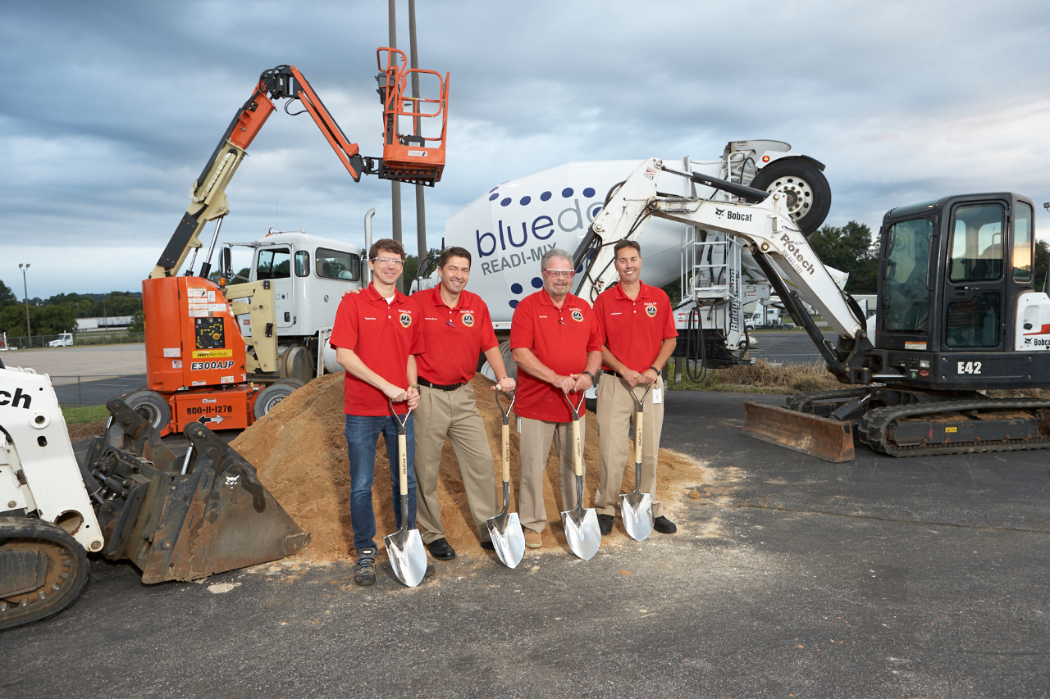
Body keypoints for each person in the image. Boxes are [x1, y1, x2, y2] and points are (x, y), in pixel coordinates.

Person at [330, 238, 426, 586]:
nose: (391, 266)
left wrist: (412, 388)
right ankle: (365, 551)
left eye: (397, 261)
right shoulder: (354, 304)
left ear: (402, 266)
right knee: (361, 484)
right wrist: (387, 386)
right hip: (363, 411)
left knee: (406, 480)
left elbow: (411, 355)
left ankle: (406, 537)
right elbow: (343, 355)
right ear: (371, 264)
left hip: (402, 410)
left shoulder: (409, 307)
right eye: (384, 260)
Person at [411, 246, 516, 561]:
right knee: (425, 469)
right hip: (427, 395)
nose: (459, 275)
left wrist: (503, 376)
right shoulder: (418, 304)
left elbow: (490, 345)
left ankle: (488, 528)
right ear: (440, 272)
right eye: (453, 269)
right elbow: (404, 347)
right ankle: (432, 533)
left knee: (481, 462)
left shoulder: (476, 305)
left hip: (464, 393)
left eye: (464, 270)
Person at [510, 249, 602, 548]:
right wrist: (556, 378)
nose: (561, 279)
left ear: (573, 276)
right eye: (555, 273)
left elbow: (595, 348)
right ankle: (533, 524)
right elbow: (520, 354)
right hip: (536, 404)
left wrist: (588, 375)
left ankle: (573, 518)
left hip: (574, 403)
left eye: (566, 274)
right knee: (532, 467)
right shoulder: (527, 307)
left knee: (575, 464)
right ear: (543, 274)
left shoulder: (583, 308)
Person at [592, 240, 678, 535]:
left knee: (649, 450)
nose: (628, 265)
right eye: (622, 261)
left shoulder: (659, 298)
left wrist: (654, 369)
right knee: (611, 451)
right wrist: (623, 370)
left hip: (650, 385)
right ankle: (605, 508)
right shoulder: (604, 301)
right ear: (615, 266)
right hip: (615, 384)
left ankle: (650, 508)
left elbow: (670, 339)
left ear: (641, 261)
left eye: (633, 259)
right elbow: (596, 345)